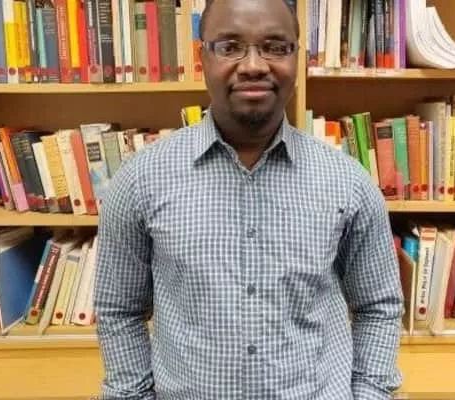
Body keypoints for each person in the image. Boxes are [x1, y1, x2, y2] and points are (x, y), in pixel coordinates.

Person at [93, 0, 405, 399]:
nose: (254, 65)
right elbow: (119, 310)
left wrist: (370, 394)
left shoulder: (349, 182)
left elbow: (379, 306)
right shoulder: (140, 180)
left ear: (298, 58)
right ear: (202, 58)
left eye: (276, 47)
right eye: (230, 47)